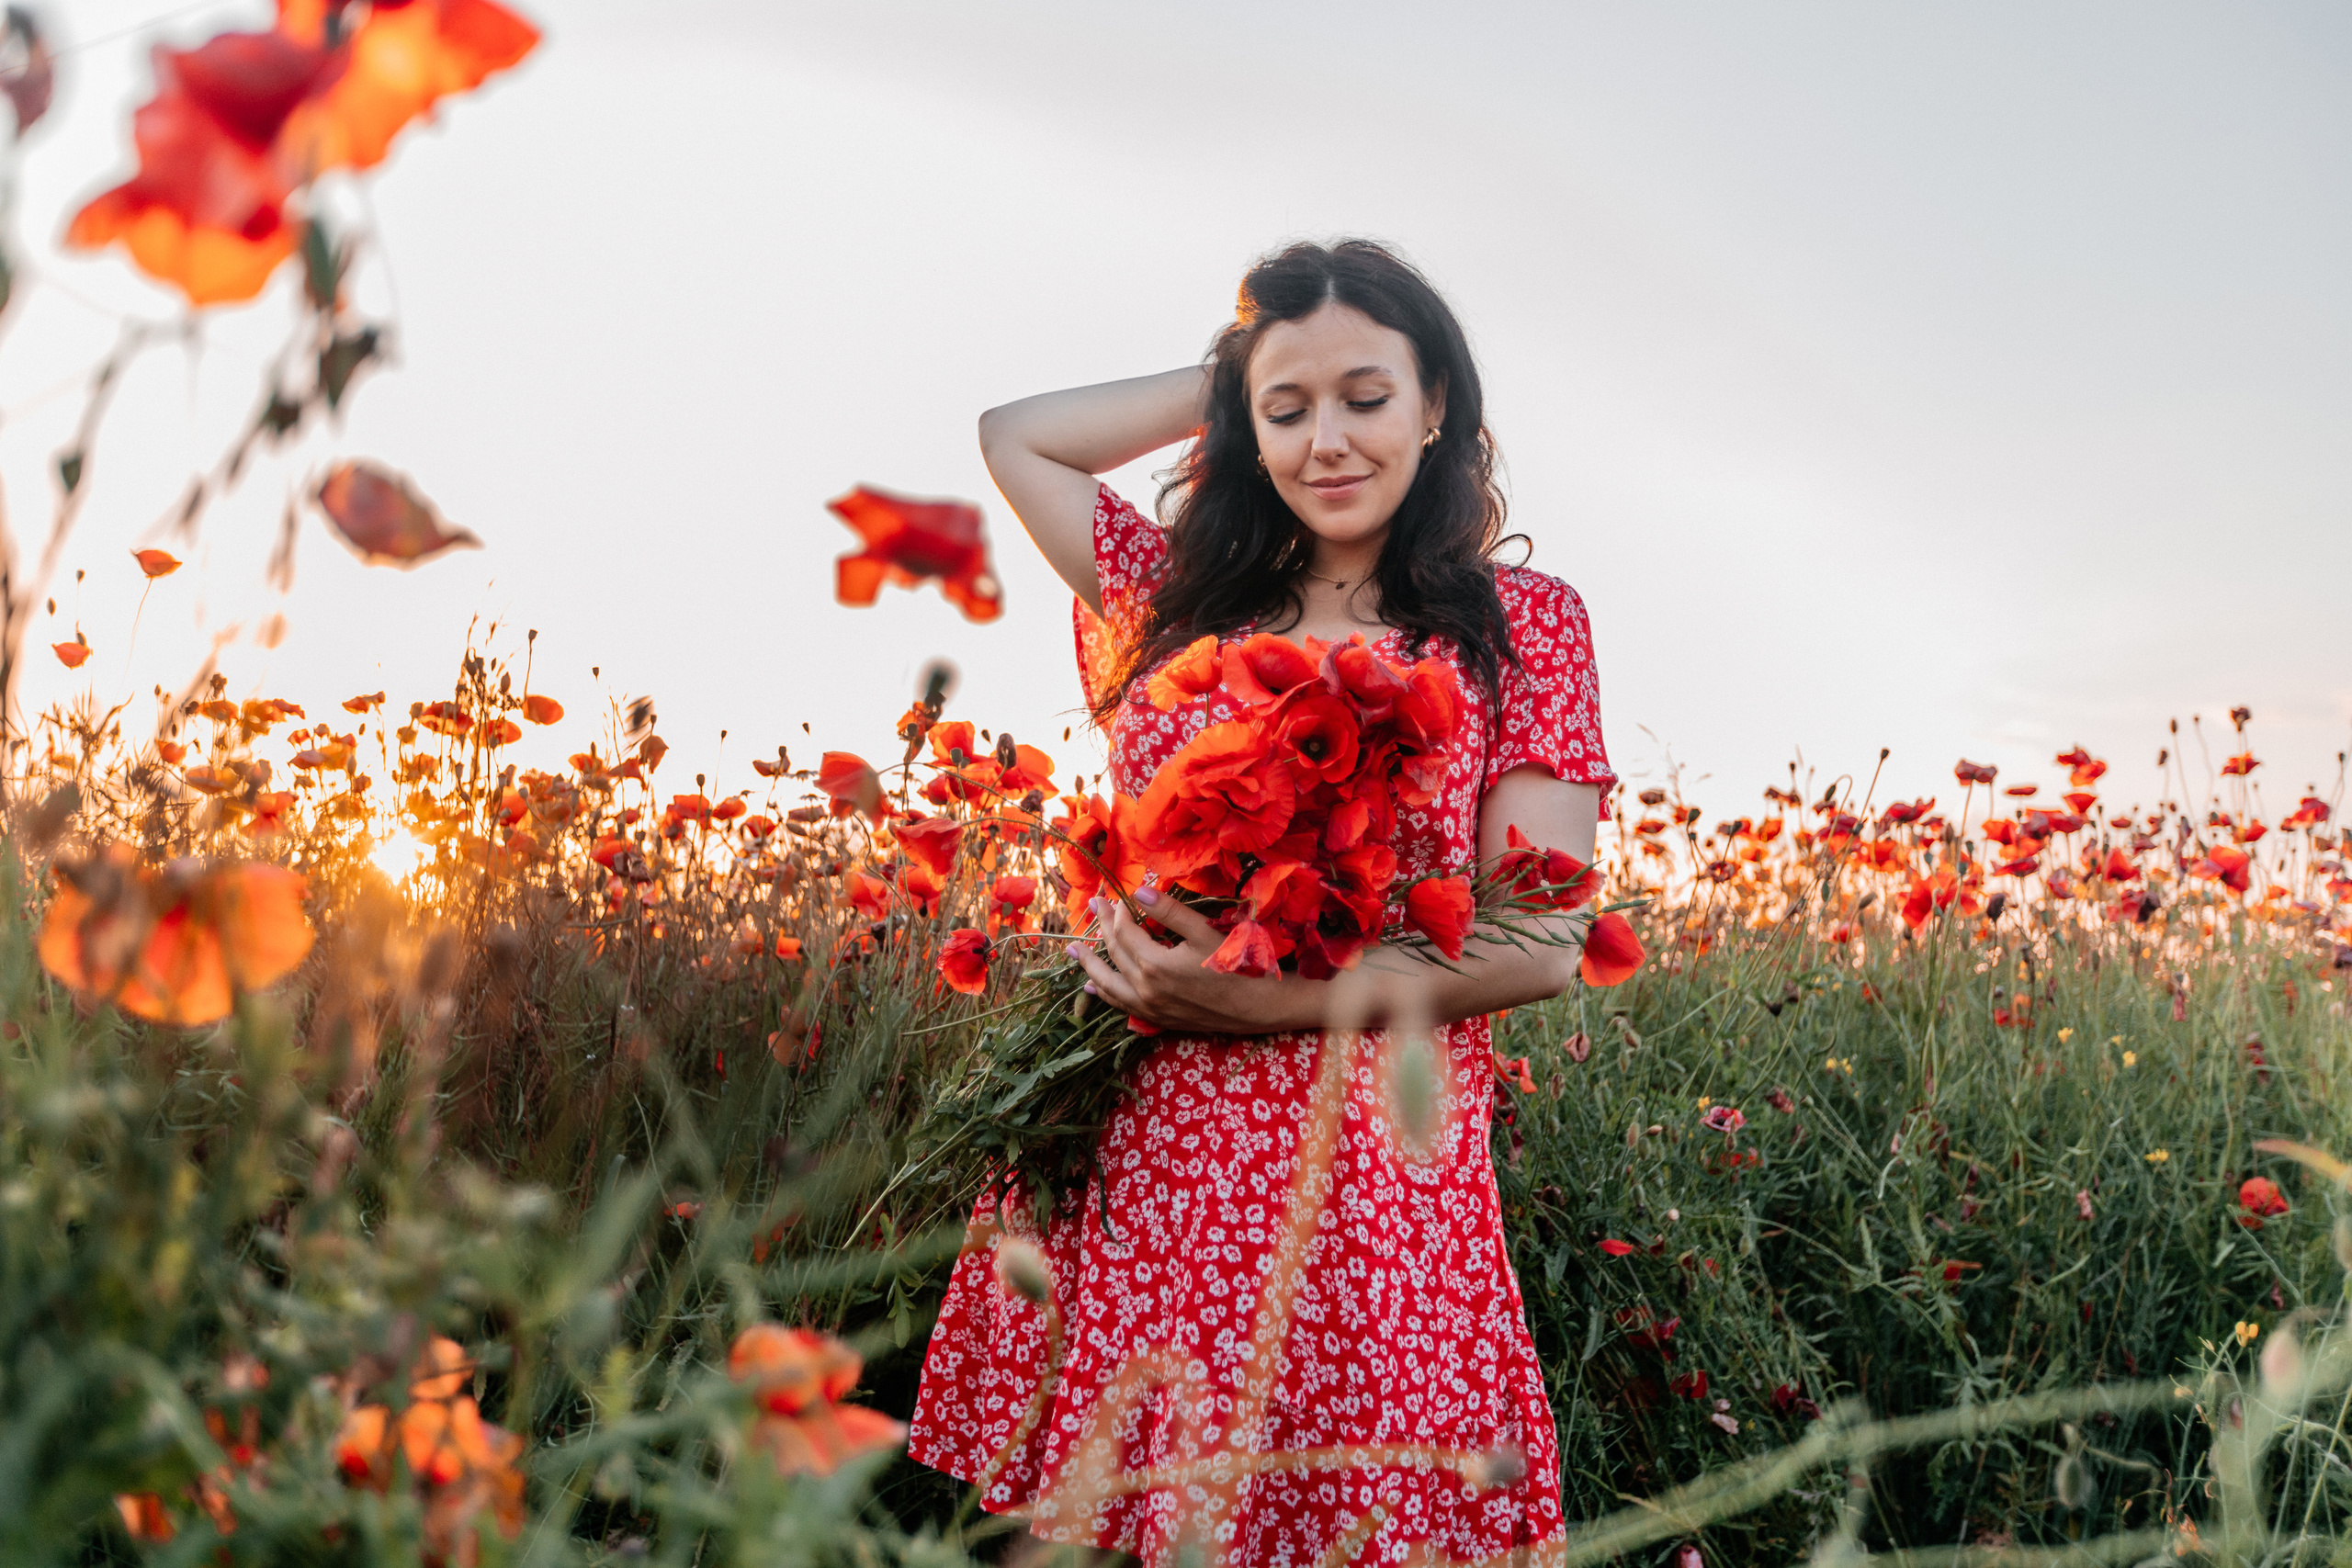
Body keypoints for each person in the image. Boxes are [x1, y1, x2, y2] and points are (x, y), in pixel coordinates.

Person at [908, 239, 1615, 1568]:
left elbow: (1541, 938)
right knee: (1114, 1521)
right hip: (1140, 1149)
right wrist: (1235, 368)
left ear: (1436, 405)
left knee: (1345, 1518)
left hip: (1364, 1169)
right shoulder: (1174, 601)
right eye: (1285, 410)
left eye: (1365, 395)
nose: (1326, 439)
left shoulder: (1524, 622)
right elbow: (1020, 440)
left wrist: (1253, 1000)